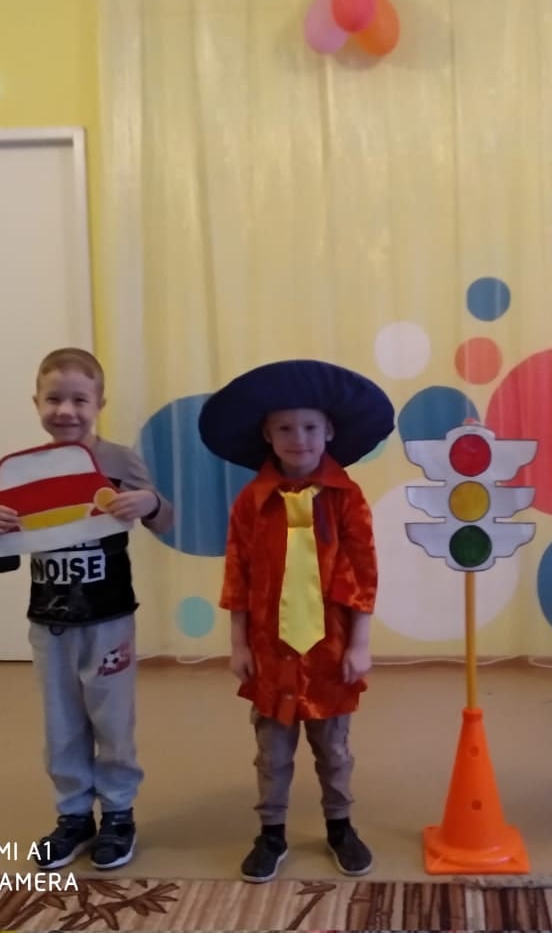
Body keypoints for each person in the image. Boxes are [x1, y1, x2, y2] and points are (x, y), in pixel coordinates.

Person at [0, 347, 173, 871]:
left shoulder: (120, 460)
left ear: (99, 403)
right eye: (54, 399)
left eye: (79, 400)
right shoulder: (26, 470)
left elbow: (164, 520)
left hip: (110, 620)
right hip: (50, 622)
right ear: (36, 402)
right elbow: (5, 542)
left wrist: (150, 502)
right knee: (60, 723)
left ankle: (119, 813)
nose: (66, 410)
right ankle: (74, 815)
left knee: (112, 720)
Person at [197, 359, 394, 883]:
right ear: (267, 435)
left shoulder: (348, 498)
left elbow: (364, 572)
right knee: (272, 750)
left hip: (330, 649)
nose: (298, 438)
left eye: (309, 426)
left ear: (329, 430)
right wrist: (239, 643)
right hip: (271, 649)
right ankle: (271, 832)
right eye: (284, 428)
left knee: (334, 748)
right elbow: (237, 574)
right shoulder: (250, 502)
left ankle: (340, 826)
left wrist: (360, 643)